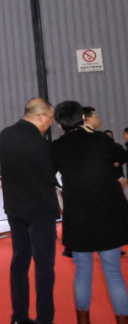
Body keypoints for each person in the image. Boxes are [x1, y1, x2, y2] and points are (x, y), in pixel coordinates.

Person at [51, 101, 128, 324]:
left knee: (82, 273)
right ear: (83, 118)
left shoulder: (57, 147)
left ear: (59, 124)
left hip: (78, 217)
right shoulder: (100, 139)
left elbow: (49, 174)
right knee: (113, 272)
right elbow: (122, 155)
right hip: (108, 214)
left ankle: (83, 320)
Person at [0, 98, 59, 324]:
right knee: (44, 268)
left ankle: (19, 316)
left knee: (19, 263)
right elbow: (48, 173)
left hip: (15, 208)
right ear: (41, 117)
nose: (51, 123)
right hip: (40, 210)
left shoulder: (5, 135)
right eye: (50, 119)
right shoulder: (40, 142)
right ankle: (45, 319)